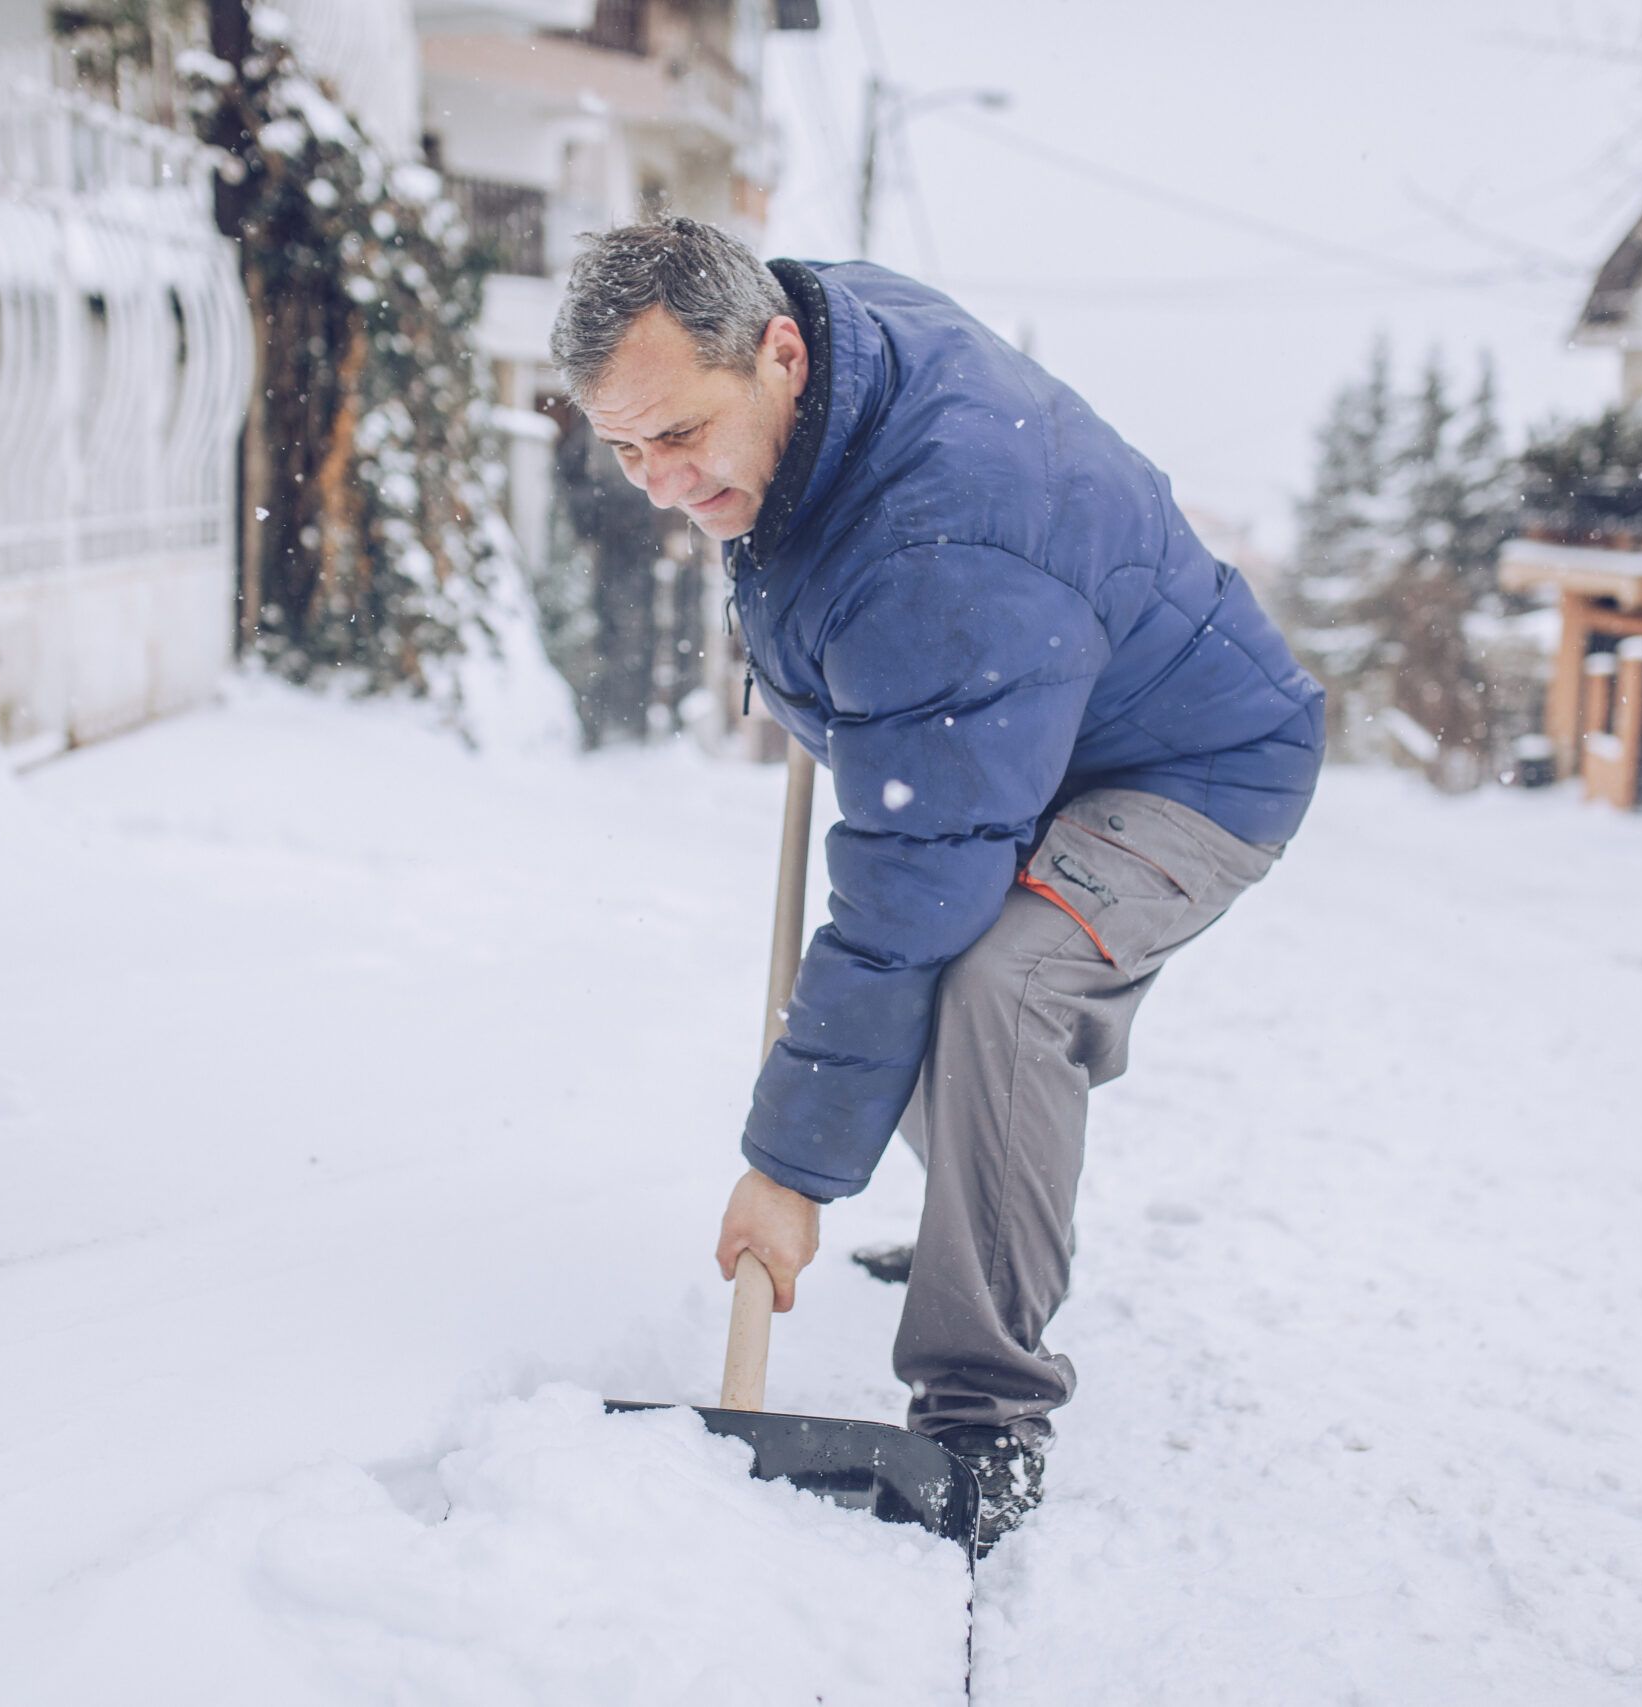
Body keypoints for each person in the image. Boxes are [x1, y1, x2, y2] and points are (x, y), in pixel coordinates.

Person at [549, 217, 1325, 1551]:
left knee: (994, 976)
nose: (660, 484)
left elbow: (916, 902)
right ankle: (985, 1207)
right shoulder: (818, 356)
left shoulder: (941, 546)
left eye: (678, 436)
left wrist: (786, 1172)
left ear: (780, 354)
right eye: (626, 450)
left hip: (1196, 763)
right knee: (919, 975)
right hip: (1029, 715)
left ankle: (984, 1419)